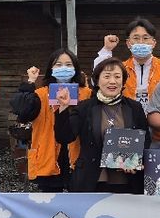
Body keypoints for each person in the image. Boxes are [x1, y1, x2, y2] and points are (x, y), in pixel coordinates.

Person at [55, 58, 150, 193]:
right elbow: (64, 137)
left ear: (123, 81)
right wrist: (63, 108)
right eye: (107, 76)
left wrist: (137, 162)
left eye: (117, 77)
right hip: (91, 181)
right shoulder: (85, 108)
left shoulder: (134, 107)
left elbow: (145, 140)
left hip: (128, 182)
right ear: (97, 80)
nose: (112, 81)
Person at [10, 48, 92, 192]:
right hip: (47, 158)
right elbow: (21, 110)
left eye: (68, 64)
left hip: (79, 160)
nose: (63, 68)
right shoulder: (40, 94)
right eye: (58, 65)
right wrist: (30, 82)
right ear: (51, 69)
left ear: (76, 69)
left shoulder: (87, 94)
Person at [93, 17, 160, 114]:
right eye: (136, 38)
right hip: (127, 119)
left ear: (153, 43)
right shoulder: (121, 69)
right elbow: (98, 78)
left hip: (159, 120)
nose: (141, 42)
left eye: (145, 38)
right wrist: (107, 49)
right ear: (128, 43)